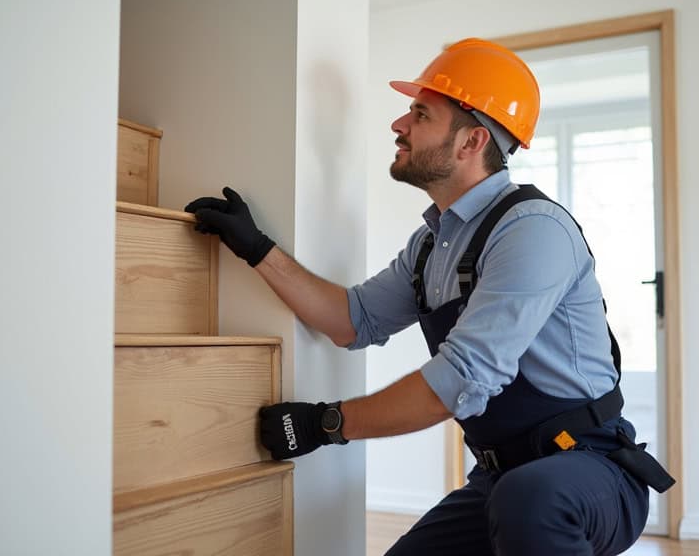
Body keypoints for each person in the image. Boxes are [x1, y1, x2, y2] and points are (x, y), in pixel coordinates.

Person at [185, 37, 673, 556]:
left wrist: (326, 423)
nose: (399, 125)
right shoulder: (429, 245)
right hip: (500, 478)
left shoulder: (533, 230)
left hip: (589, 468)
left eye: (420, 114)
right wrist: (257, 250)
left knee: (530, 500)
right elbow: (352, 320)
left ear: (471, 142)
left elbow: (460, 378)